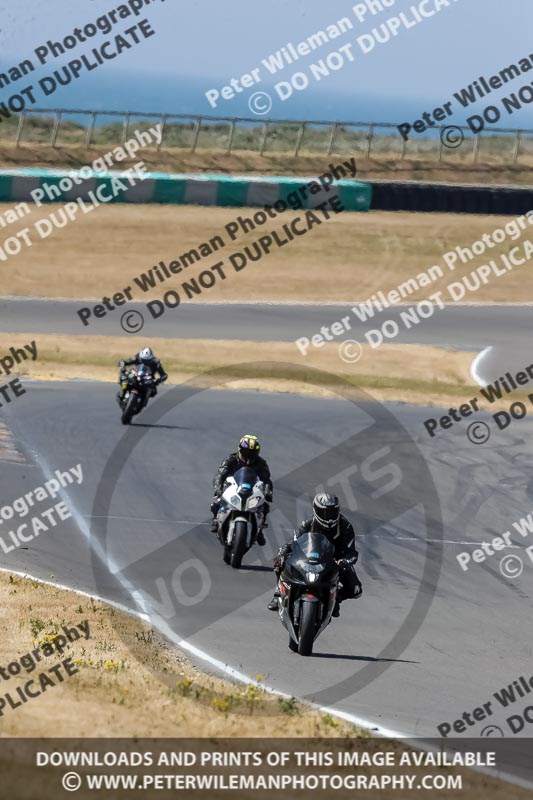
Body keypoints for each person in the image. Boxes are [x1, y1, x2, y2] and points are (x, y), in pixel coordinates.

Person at [267, 492, 362, 616]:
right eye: (324, 512)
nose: (329, 517)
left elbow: (352, 552)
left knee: (355, 590)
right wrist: (284, 550)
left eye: (332, 512)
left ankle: (335, 598)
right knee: (280, 561)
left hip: (335, 561)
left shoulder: (345, 526)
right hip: (308, 558)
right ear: (316, 510)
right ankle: (278, 594)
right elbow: (294, 542)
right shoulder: (307, 524)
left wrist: (344, 561)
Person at [210, 435, 273, 545]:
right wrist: (218, 486)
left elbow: (266, 479)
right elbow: (221, 474)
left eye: (252, 452)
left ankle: (259, 529)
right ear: (240, 450)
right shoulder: (231, 459)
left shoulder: (261, 463)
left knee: (265, 506)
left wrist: (268, 491)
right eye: (246, 452)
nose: (249, 455)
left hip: (251, 489)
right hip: (232, 487)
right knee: (216, 502)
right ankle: (216, 520)